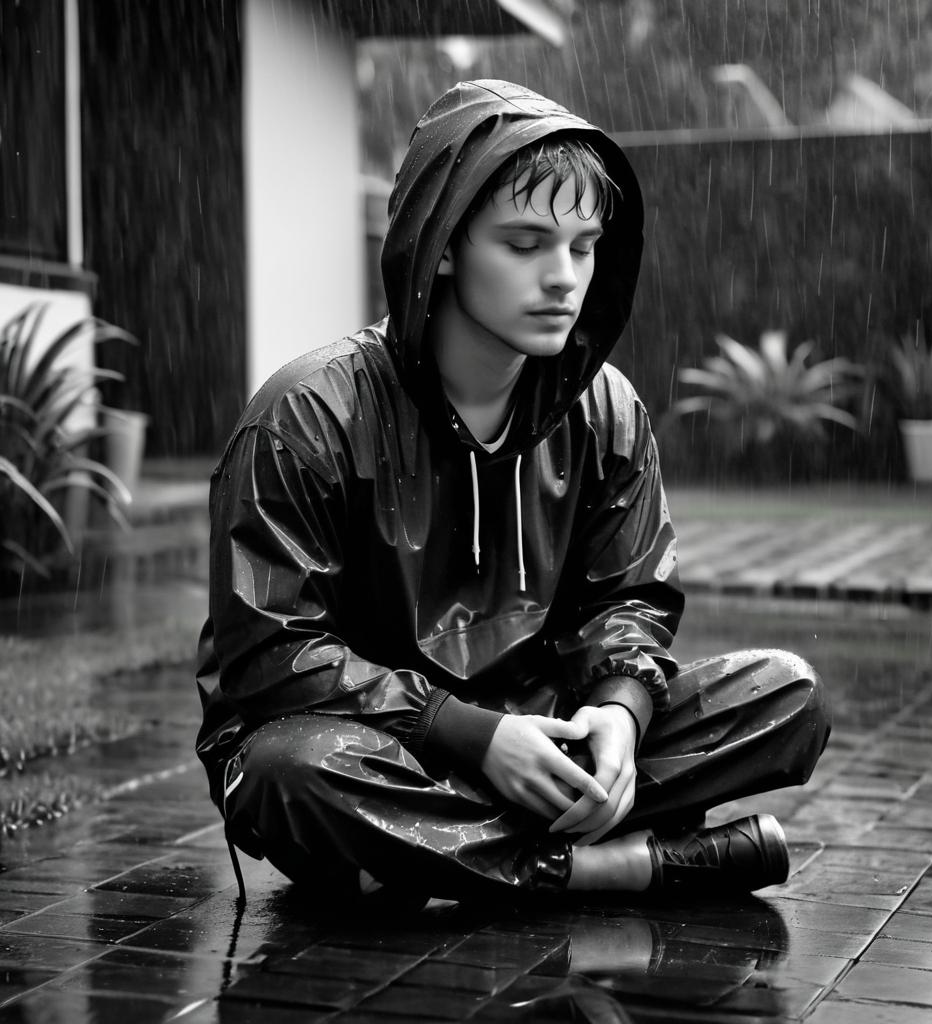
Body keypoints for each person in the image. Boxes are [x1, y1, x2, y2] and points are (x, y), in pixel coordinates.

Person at [195, 80, 831, 905]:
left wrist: (619, 710)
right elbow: (269, 655)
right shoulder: (308, 417)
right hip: (386, 745)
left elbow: (631, 595)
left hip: (550, 732)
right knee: (289, 772)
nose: (564, 278)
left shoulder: (606, 407)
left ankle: (437, 857)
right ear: (445, 244)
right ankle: (604, 864)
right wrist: (468, 734)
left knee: (786, 694)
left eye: (584, 245)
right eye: (526, 243)